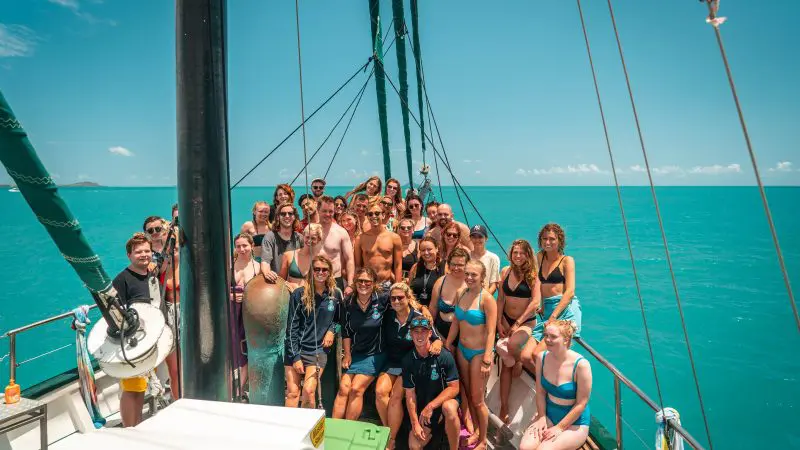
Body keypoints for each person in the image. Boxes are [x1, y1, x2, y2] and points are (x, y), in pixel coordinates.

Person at [376, 283, 441, 450]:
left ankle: (391, 440)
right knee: (380, 392)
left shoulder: (418, 316)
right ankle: (388, 430)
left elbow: (435, 337)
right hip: (391, 361)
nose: (396, 301)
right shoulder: (388, 314)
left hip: (410, 364)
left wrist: (438, 343)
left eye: (400, 297)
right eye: (393, 298)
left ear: (408, 298)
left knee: (396, 397)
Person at [445, 260, 497, 449]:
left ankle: (483, 440)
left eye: (474, 274)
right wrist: (448, 343)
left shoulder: (487, 300)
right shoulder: (461, 293)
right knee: (466, 392)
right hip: (461, 350)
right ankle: (475, 429)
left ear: (482, 277)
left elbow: (492, 331)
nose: (469, 278)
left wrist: (487, 358)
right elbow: (456, 323)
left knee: (477, 399)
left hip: (478, 354)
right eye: (467, 274)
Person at [519, 321, 591, 450]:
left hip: (574, 423)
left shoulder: (581, 365)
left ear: (566, 339)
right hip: (549, 414)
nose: (547, 340)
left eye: (553, 337)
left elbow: (582, 403)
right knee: (525, 447)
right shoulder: (542, 357)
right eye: (545, 335)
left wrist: (560, 427)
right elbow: (540, 392)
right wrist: (541, 417)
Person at [113, 232, 158, 427]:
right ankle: (130, 428)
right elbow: (115, 314)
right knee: (133, 387)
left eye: (147, 251)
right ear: (129, 255)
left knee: (143, 386)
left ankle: (137, 425)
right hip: (133, 342)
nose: (144, 255)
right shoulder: (122, 279)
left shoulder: (153, 275)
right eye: (138, 252)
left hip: (152, 338)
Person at [521, 224, 582, 370]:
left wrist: (554, 317)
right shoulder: (539, 257)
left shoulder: (567, 261)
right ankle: (545, 384)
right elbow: (538, 284)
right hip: (547, 311)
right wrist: (541, 305)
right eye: (544, 239)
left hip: (562, 313)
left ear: (559, 241)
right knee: (524, 357)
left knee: (537, 355)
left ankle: (549, 387)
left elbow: (570, 292)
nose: (547, 242)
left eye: (552, 239)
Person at [284, 255, 341, 409]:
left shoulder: (335, 295)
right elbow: (291, 328)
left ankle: (308, 430)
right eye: (317, 269)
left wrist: (331, 331)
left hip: (318, 350)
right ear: (311, 271)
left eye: (324, 269)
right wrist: (295, 356)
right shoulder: (299, 294)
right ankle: (290, 429)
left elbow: (340, 320)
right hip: (296, 348)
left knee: (309, 391)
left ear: (329, 272)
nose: (320, 272)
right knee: (293, 392)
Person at [332, 268, 389, 420]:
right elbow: (346, 331)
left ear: (374, 283)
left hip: (376, 352)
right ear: (355, 283)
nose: (363, 284)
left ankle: (348, 429)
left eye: (367, 281)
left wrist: (423, 308)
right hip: (356, 353)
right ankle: (334, 431)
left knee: (356, 389)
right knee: (344, 389)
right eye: (360, 281)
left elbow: (405, 301)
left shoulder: (383, 299)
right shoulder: (348, 302)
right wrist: (347, 355)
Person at [496, 239, 541, 423]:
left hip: (525, 322)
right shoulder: (505, 271)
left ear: (528, 255)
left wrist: (517, 323)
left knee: (513, 345)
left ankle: (519, 363)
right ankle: (504, 407)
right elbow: (500, 299)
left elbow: (535, 302)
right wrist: (499, 322)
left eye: (522, 253)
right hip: (506, 320)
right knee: (506, 363)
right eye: (515, 252)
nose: (518, 256)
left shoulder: (533, 276)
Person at [403, 317, 461, 450]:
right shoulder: (407, 360)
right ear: (410, 334)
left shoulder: (444, 356)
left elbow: (454, 388)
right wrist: (415, 424)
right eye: (415, 331)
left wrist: (431, 406)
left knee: (449, 408)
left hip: (441, 403)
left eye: (423, 331)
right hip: (424, 410)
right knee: (414, 446)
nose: (419, 335)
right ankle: (435, 432)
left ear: (430, 334)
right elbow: (410, 394)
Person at [230, 233, 260, 399]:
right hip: (231, 310)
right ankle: (230, 389)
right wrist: (230, 295)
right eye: (238, 246)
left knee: (245, 349)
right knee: (230, 348)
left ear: (251, 246)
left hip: (249, 312)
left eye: (245, 246)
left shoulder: (257, 266)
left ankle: (239, 390)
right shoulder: (229, 266)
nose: (241, 249)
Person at [354, 202, 402, 292]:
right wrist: (355, 286)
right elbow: (358, 266)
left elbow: (398, 265)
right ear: (367, 217)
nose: (373, 216)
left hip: (387, 284)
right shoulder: (360, 238)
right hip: (367, 284)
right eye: (370, 214)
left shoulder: (394, 237)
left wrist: (398, 286)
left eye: (377, 213)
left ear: (383, 215)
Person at [428, 247, 469, 341]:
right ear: (448, 264)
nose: (456, 268)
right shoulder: (440, 282)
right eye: (453, 264)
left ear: (467, 265)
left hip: (465, 336)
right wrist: (433, 335)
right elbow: (433, 308)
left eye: (460, 265)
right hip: (441, 334)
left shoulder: (471, 284)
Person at [317, 196, 355, 294]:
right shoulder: (310, 230)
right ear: (318, 210)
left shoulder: (341, 232)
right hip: (315, 279)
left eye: (331, 211)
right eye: (324, 211)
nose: (328, 214)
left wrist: (350, 284)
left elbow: (349, 259)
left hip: (335, 280)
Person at [161, 232, 182, 400]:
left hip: (187, 315)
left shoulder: (189, 266)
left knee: (190, 365)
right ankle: (178, 401)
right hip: (168, 315)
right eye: (169, 248)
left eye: (175, 247)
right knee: (174, 369)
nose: (172, 250)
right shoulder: (159, 269)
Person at [261, 202, 304, 282]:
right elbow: (265, 261)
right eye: (283, 214)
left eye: (290, 213)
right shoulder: (270, 237)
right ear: (278, 217)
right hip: (276, 283)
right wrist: (267, 272)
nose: (287, 216)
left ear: (294, 217)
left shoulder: (300, 238)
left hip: (296, 284)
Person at [279, 224, 324, 291]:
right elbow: (280, 281)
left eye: (313, 238)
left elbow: (324, 282)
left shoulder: (321, 258)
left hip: (311, 297)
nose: (309, 241)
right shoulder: (288, 255)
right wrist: (289, 285)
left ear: (319, 239)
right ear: (303, 235)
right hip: (291, 296)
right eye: (307, 237)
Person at [408, 236, 444, 307]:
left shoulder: (445, 267)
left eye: (429, 249)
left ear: (436, 249)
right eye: (423, 250)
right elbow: (409, 292)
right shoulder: (415, 267)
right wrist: (420, 308)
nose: (426, 253)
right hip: (416, 309)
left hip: (436, 311)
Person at [469, 225, 500, 295]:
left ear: (486, 238)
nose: (477, 240)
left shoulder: (493, 258)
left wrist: (483, 299)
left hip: (484, 297)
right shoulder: (466, 256)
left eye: (480, 237)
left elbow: (493, 284)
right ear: (470, 238)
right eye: (474, 237)